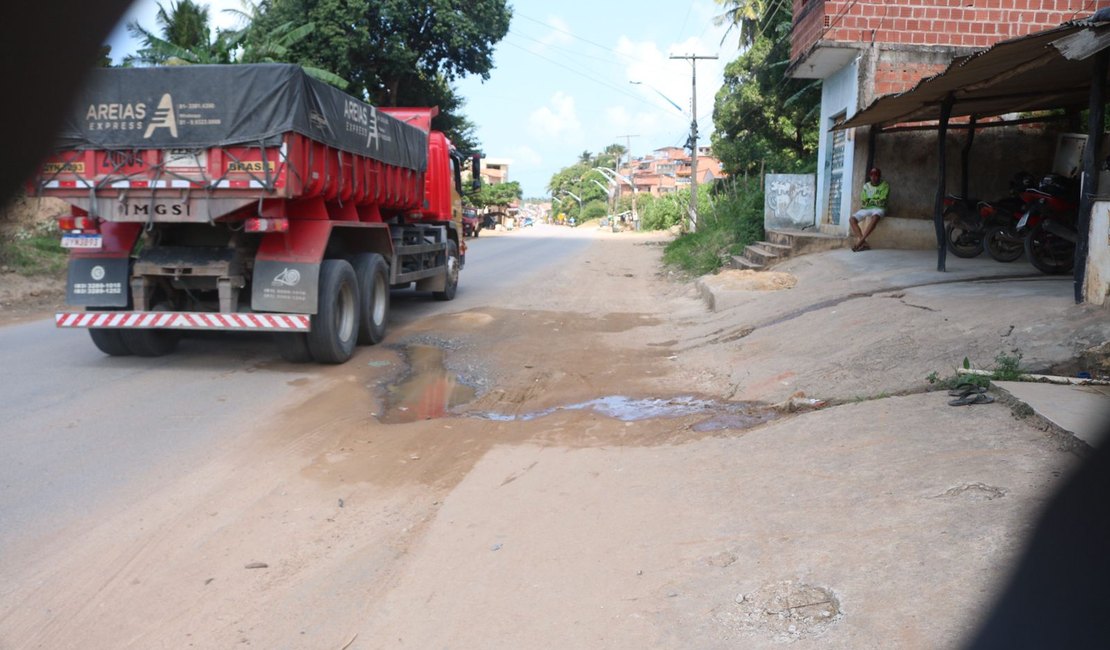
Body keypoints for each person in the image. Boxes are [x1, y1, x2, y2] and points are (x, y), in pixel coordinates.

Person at [849, 167, 889, 252]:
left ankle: (860, 242)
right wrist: (875, 200)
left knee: (875, 217)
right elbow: (864, 201)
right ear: (869, 176)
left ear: (879, 176)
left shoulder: (885, 185)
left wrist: (871, 200)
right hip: (866, 208)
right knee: (852, 219)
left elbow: (882, 201)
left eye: (876, 175)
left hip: (879, 208)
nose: (874, 177)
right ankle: (863, 243)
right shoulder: (866, 186)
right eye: (872, 175)